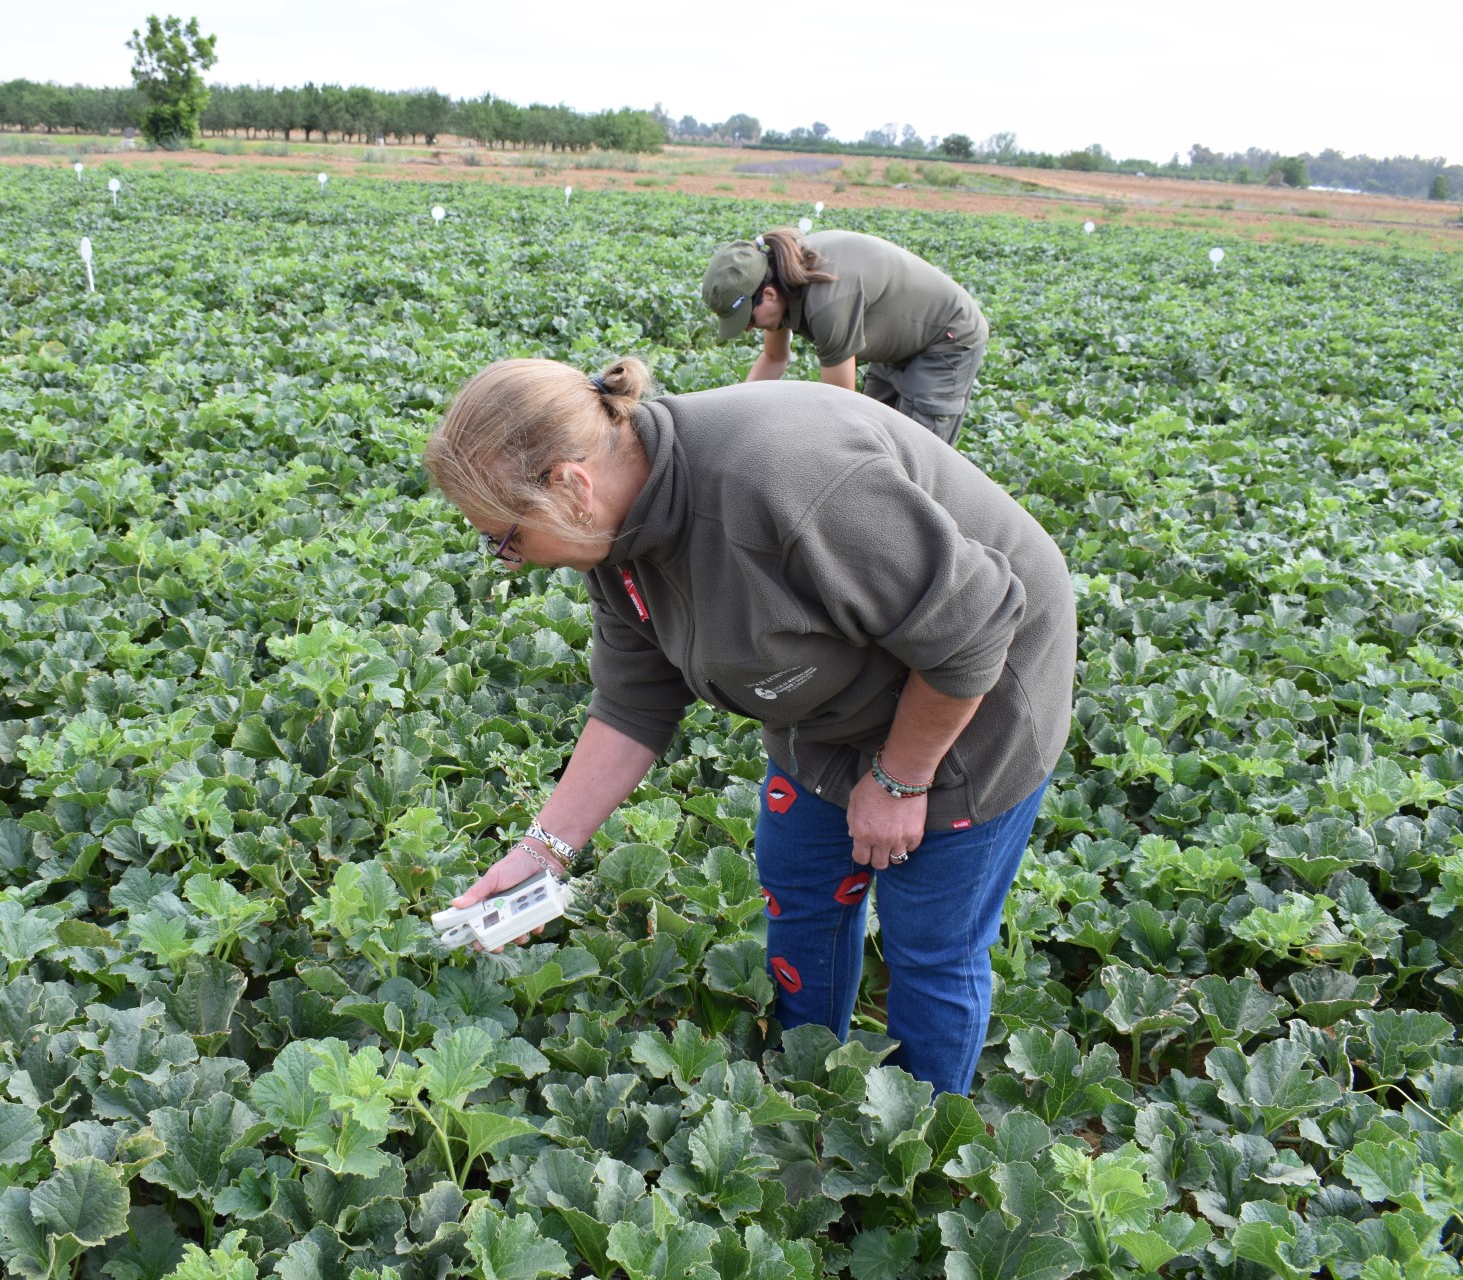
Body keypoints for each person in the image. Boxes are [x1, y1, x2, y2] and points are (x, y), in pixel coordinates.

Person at [423, 356, 1075, 1097]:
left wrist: (900, 778)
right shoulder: (612, 538)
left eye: (506, 539)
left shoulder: (786, 482)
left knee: (930, 947)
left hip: (974, 699)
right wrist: (543, 852)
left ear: (572, 485)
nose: (510, 562)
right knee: (801, 896)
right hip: (832, 698)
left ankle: (921, 1150)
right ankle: (806, 1096)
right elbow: (634, 703)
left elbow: (975, 625)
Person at [700, 227, 989, 445]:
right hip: (896, 341)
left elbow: (841, 411)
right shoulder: (777, 273)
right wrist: (733, 419)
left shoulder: (827, 304)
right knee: (877, 441)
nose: (749, 328)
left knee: (917, 456)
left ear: (769, 294)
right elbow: (774, 358)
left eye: (748, 320)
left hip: (946, 337)